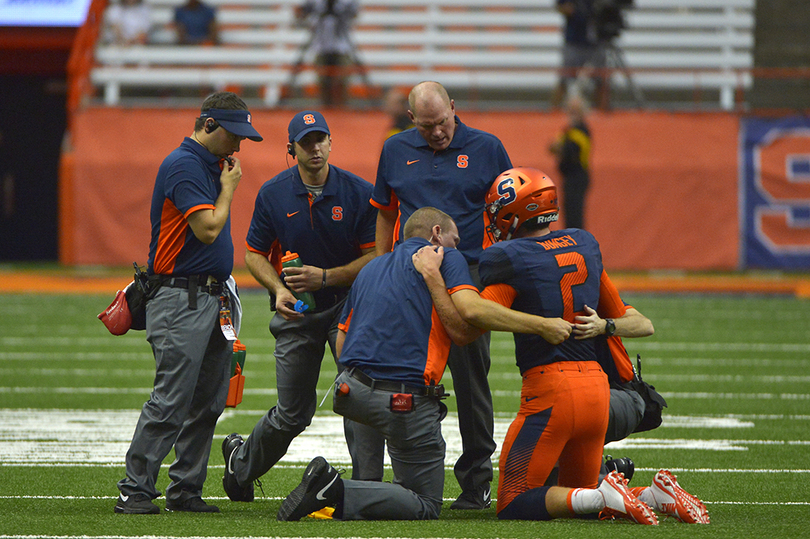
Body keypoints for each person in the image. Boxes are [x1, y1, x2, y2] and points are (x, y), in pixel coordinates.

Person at [416, 167, 708, 524]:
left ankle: (614, 492)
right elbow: (642, 323)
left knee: (512, 502)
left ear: (513, 212)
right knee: (582, 498)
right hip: (597, 393)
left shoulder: (510, 257)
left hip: (552, 391)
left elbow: (473, 315)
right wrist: (605, 326)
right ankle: (653, 494)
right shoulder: (583, 245)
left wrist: (437, 277)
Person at [276, 206, 575, 521]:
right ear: (436, 234)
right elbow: (462, 330)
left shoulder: (373, 266)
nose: (457, 247)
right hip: (402, 399)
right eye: (454, 239)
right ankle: (333, 489)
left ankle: (354, 490)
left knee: (377, 480)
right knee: (425, 503)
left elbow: (342, 337)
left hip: (350, 390)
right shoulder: (445, 257)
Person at [114, 92, 263, 514]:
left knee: (209, 401)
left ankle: (185, 489)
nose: (238, 146)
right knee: (172, 399)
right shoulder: (183, 165)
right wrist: (229, 189)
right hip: (181, 296)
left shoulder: (208, 164)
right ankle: (135, 489)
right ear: (208, 126)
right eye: (233, 136)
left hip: (211, 297)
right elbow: (208, 230)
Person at [221, 110, 378, 503]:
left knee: (358, 397)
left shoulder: (359, 192)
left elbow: (376, 255)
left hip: (347, 307)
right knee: (293, 413)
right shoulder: (274, 193)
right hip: (296, 311)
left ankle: (367, 489)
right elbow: (254, 253)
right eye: (306, 141)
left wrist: (326, 277)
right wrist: (277, 289)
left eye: (320, 139)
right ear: (291, 149)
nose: (315, 147)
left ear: (331, 142)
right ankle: (240, 466)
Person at [370, 80, 512, 510]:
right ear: (412, 119)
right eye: (427, 125)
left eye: (443, 122)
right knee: (402, 376)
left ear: (454, 107)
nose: (437, 132)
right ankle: (409, 476)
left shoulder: (488, 148)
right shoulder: (394, 149)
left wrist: (499, 273)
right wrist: (383, 267)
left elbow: (510, 214)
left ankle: (476, 481)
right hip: (408, 275)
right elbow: (385, 212)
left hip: (466, 273)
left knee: (471, 380)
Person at [296, 0, 359, 106]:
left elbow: (354, 14)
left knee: (342, 77)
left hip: (341, 44)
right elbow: (301, 15)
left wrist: (339, 10)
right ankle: (325, 106)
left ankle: (341, 107)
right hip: (321, 44)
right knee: (322, 79)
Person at [552, 0, 607, 109]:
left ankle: (602, 113)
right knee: (565, 78)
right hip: (574, 40)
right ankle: (554, 111)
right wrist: (569, 10)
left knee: (601, 79)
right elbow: (560, 6)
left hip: (596, 41)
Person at [549, 94, 591, 230]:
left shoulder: (582, 131)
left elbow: (570, 150)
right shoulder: (569, 131)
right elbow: (552, 147)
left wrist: (559, 147)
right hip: (569, 177)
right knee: (569, 213)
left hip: (577, 177)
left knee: (575, 215)